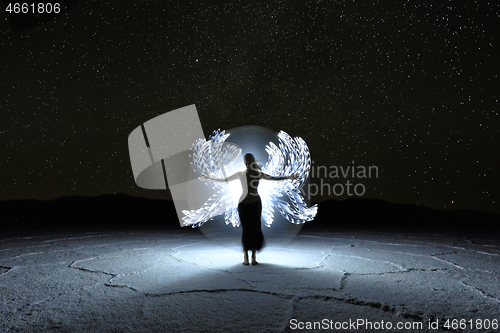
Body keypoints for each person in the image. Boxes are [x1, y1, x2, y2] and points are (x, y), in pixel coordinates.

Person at [202, 153, 298, 265]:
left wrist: (289, 177)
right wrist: (210, 178)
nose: (247, 165)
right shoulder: (243, 174)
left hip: (255, 204)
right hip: (245, 204)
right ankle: (247, 258)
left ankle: (252, 257)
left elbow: (273, 178)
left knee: (255, 229)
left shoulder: (257, 174)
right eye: (246, 163)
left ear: (250, 163)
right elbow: (225, 180)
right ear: (245, 163)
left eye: (249, 163)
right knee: (247, 229)